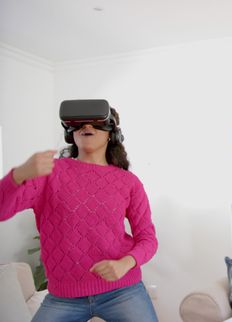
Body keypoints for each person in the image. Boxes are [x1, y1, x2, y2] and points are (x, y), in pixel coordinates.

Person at [0, 103, 159, 321]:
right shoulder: (50, 173)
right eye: (79, 122)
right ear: (69, 132)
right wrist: (18, 176)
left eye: (96, 121)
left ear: (112, 133)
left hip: (122, 291)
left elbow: (148, 239)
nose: (87, 125)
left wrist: (126, 263)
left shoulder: (129, 183)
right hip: (63, 297)